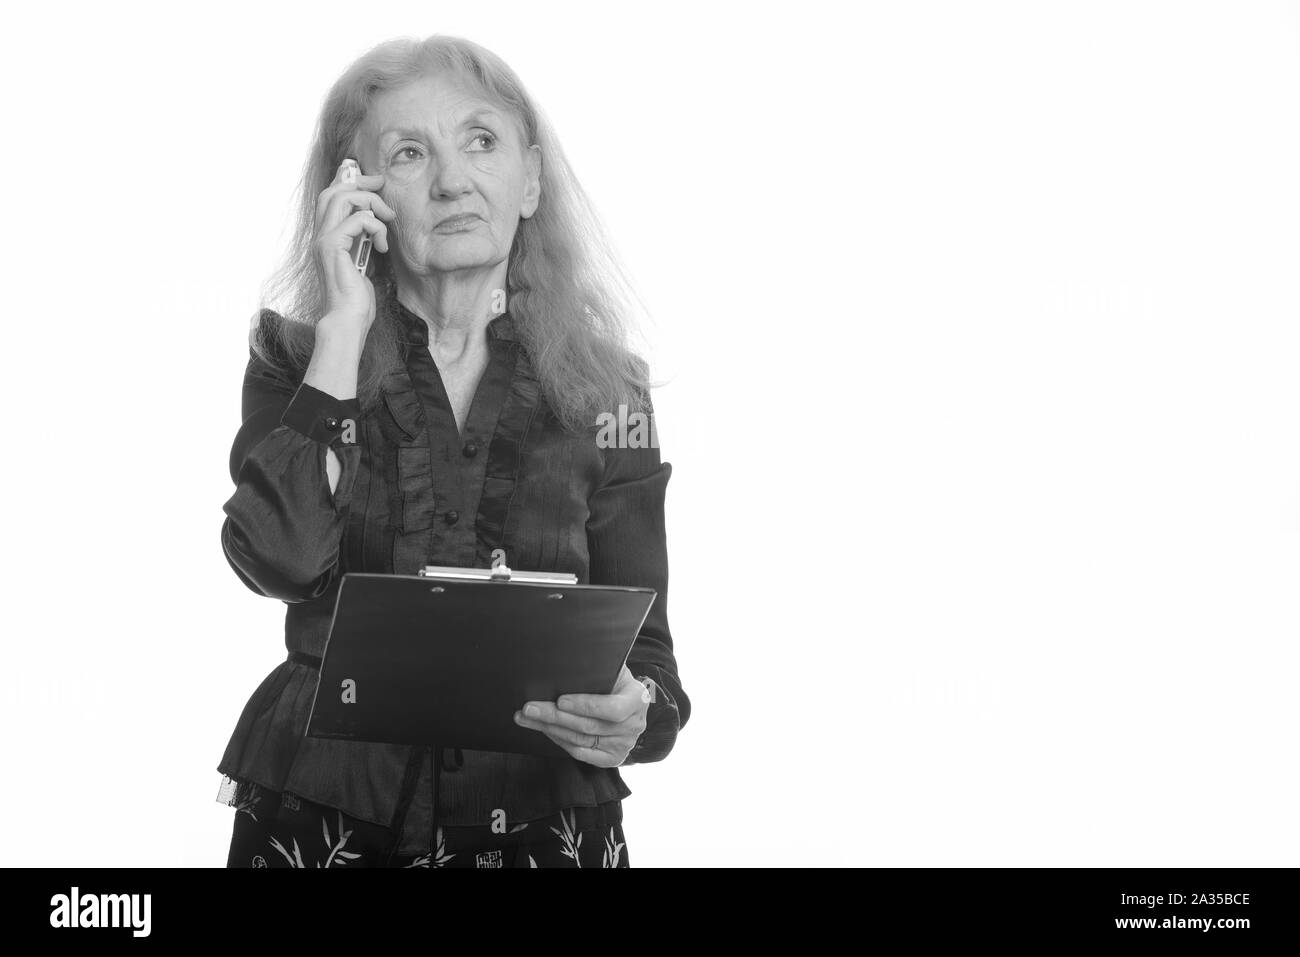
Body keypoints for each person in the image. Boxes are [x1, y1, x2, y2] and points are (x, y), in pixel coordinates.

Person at [215, 34, 688, 868]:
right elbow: (277, 560)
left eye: (481, 140)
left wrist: (635, 709)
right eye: (408, 152)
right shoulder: (293, 358)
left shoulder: (612, 391)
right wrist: (343, 332)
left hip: (545, 825)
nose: (452, 179)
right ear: (354, 193)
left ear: (531, 178)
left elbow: (649, 656)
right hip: (323, 821)